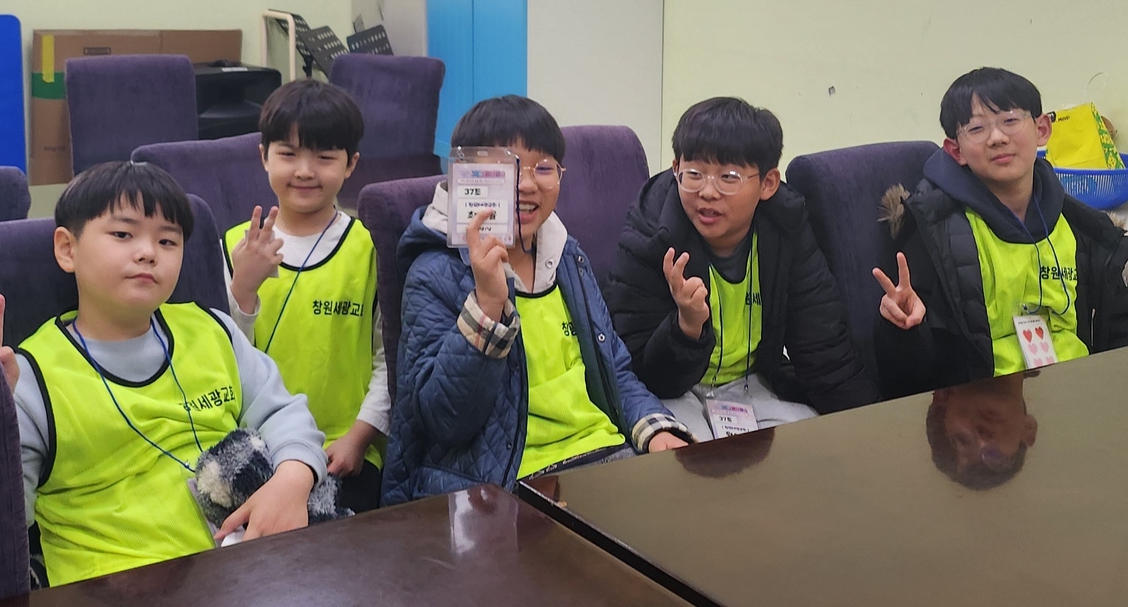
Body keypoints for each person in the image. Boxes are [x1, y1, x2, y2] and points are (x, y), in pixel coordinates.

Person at [0, 160, 325, 587]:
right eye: (123, 235)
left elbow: (285, 413)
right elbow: (0, 524)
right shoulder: (30, 376)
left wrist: (292, 479)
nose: (148, 252)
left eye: (167, 240)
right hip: (117, 595)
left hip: (246, 567)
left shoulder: (213, 330)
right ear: (67, 249)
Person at [382, 96, 692, 504]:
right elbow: (446, 421)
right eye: (506, 168)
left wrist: (655, 428)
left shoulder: (567, 256)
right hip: (507, 481)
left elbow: (613, 369)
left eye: (543, 168)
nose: (527, 184)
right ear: (467, 178)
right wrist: (487, 307)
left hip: (603, 457)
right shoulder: (435, 271)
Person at [606, 97, 876, 441]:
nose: (707, 192)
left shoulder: (786, 228)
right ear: (676, 169)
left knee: (816, 446)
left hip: (753, 387)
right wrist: (686, 328)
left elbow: (824, 350)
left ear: (768, 183)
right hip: (674, 394)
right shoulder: (652, 231)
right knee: (692, 461)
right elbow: (636, 374)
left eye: (728, 177)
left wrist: (871, 431)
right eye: (694, 174)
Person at [873, 67, 1128, 398]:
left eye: (1010, 120)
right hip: (984, 413)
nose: (997, 138)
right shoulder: (935, 232)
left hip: (1078, 399)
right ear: (955, 151)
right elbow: (910, 376)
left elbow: (1126, 333)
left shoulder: (1083, 229)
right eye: (977, 128)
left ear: (1042, 129)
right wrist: (903, 330)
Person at [224, 79, 387, 513]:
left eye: (324, 157)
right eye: (288, 154)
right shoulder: (235, 247)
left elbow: (387, 361)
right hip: (255, 448)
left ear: (351, 164)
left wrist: (360, 436)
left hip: (345, 449)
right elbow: (221, 361)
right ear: (264, 156)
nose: (304, 171)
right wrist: (243, 289)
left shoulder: (370, 249)